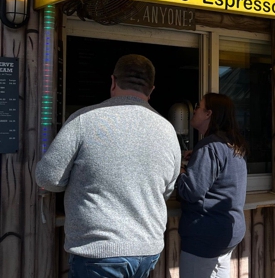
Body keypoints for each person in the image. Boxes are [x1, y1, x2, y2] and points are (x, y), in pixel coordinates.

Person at [35, 54, 181, 278]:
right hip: (147, 250)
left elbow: (47, 177)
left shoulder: (84, 119)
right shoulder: (168, 130)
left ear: (113, 81)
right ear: (151, 90)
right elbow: (168, 188)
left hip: (99, 251)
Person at [177, 93, 248, 278]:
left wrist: (180, 172)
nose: (194, 110)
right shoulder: (232, 144)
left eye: (198, 107)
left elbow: (191, 191)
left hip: (205, 235)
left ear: (209, 114)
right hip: (229, 231)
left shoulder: (209, 147)